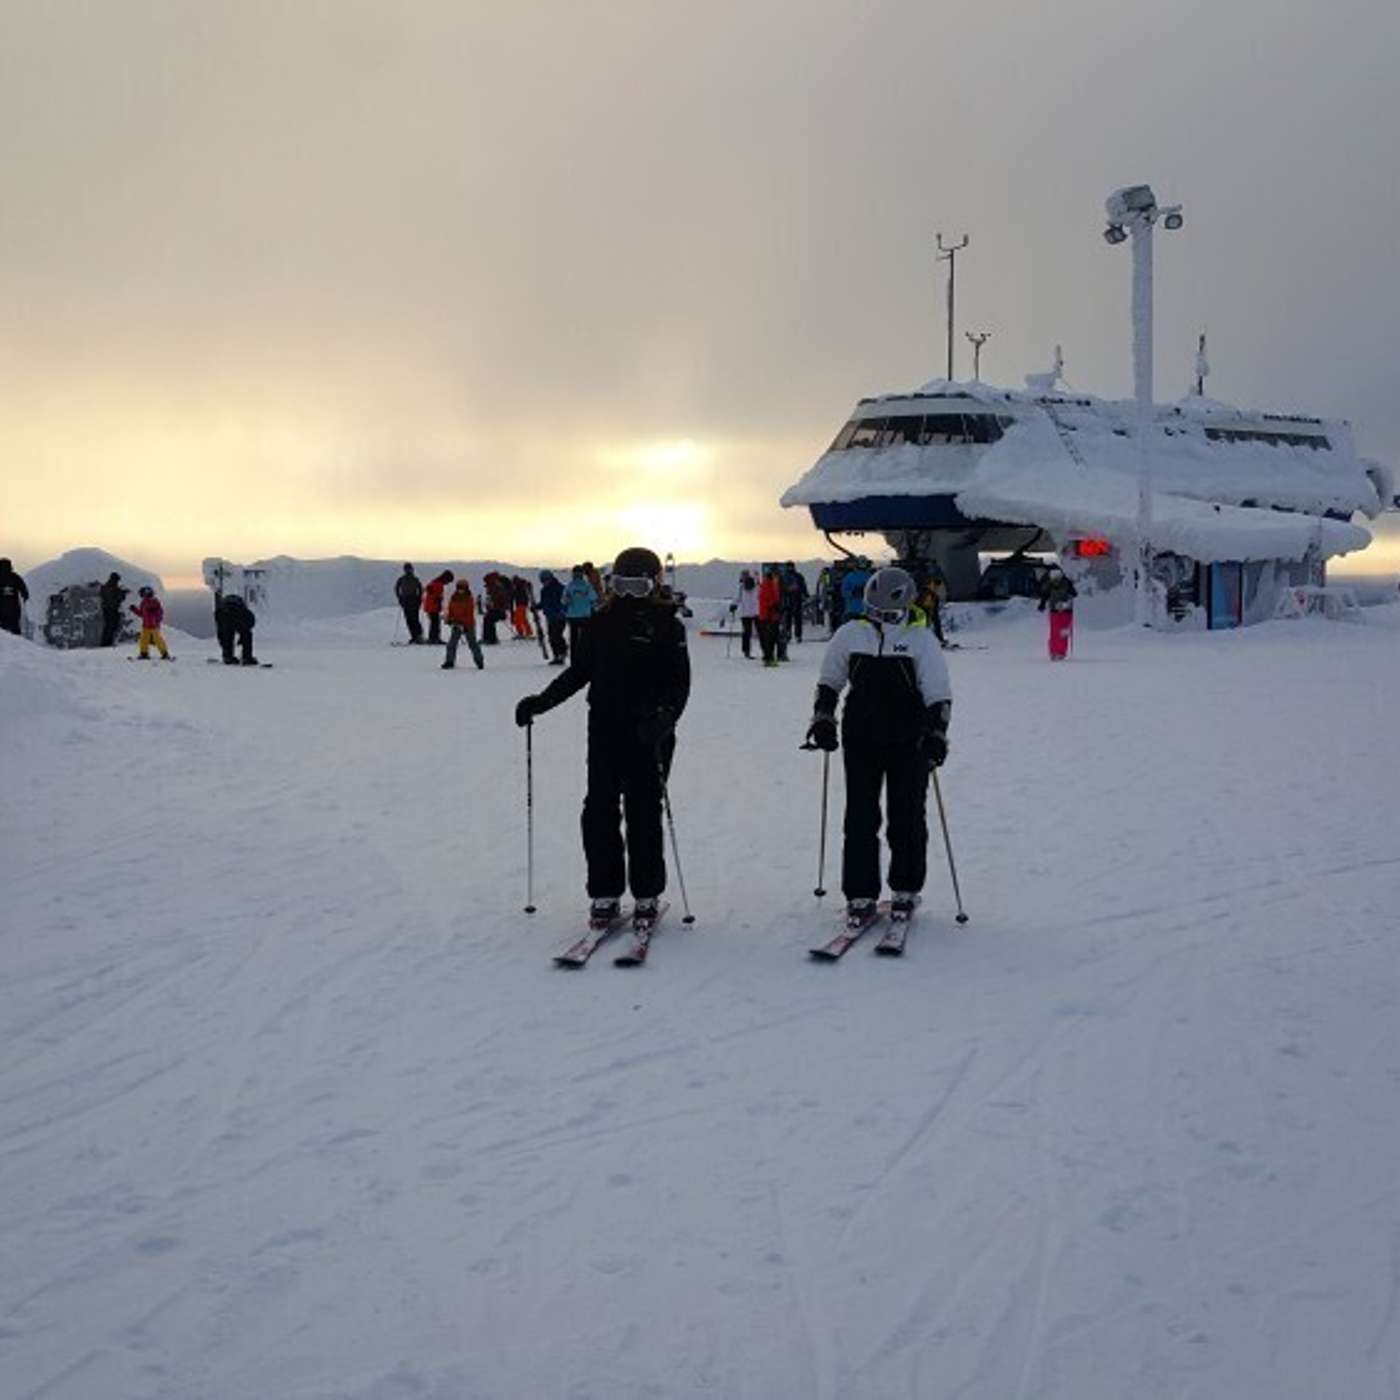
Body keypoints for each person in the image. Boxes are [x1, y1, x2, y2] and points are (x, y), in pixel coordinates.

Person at [514, 546, 690, 927]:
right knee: (598, 811)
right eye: (623, 585)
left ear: (655, 584)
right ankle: (605, 892)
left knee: (643, 812)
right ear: (612, 585)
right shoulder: (600, 623)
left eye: (639, 586)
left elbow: (680, 685)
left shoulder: (668, 626)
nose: (629, 595)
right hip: (606, 730)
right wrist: (540, 703)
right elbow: (578, 673)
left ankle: (647, 893)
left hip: (650, 734)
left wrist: (665, 718)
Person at [805, 566, 952, 923]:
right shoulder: (849, 635)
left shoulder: (921, 641)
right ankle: (859, 893)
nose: (878, 621)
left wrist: (936, 733)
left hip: (909, 742)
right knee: (860, 817)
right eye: (872, 612)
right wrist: (824, 718)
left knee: (905, 817)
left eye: (885, 615)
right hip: (861, 739)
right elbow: (829, 682)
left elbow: (938, 694)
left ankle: (905, 888)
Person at [442, 579, 484, 670]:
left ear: (466, 588)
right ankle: (449, 661)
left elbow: (469, 614)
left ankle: (479, 661)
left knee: (472, 643)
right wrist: (449, 619)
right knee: (451, 644)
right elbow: (450, 611)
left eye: (462, 588)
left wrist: (463, 624)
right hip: (456, 625)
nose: (460, 590)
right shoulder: (453, 598)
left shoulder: (469, 599)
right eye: (459, 588)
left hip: (468, 625)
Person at [1038, 566, 1077, 660]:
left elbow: (1074, 594)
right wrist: (1042, 604)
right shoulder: (1050, 584)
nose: (1056, 582)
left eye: (1057, 579)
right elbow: (1045, 595)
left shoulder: (1066, 583)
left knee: (1063, 632)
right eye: (1054, 579)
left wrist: (1070, 586)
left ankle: (1061, 652)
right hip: (1055, 611)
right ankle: (1054, 652)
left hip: (1066, 610)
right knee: (1056, 632)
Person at [562, 564, 599, 652]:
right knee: (585, 639)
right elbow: (593, 598)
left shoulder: (569, 586)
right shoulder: (587, 586)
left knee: (573, 639)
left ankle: (574, 661)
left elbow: (564, 600)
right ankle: (584, 659)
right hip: (585, 616)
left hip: (572, 616)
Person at [214, 592, 258, 665]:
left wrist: (224, 645)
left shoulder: (220, 611)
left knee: (227, 634)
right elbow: (246, 629)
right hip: (233, 613)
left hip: (223, 613)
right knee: (245, 634)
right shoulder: (245, 614)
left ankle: (228, 656)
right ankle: (246, 657)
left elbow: (221, 632)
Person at [911, 564, 949, 647]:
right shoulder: (928, 593)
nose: (938, 587)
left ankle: (937, 639)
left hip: (924, 607)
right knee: (927, 623)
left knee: (933, 622)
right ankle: (928, 640)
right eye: (936, 584)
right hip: (923, 609)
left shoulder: (930, 593)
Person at [131, 585, 172, 660]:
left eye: (142, 593)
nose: (141, 595)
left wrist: (155, 619)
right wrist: (134, 609)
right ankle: (144, 653)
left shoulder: (154, 602)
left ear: (147, 593)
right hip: (146, 625)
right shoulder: (143, 602)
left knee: (157, 640)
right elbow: (141, 614)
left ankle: (165, 654)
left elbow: (160, 613)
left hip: (154, 626)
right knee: (143, 639)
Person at [537, 569, 568, 665]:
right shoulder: (544, 590)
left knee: (557, 635)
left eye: (545, 580)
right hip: (550, 617)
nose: (544, 582)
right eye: (542, 581)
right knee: (551, 637)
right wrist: (536, 607)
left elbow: (565, 602)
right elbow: (543, 603)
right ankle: (556, 655)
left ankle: (562, 653)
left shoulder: (560, 588)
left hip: (560, 616)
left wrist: (562, 611)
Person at [757, 564, 784, 667]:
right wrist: (773, 605)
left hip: (773, 615)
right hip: (767, 616)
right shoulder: (767, 584)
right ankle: (768, 658)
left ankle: (771, 656)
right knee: (769, 638)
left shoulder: (774, 584)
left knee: (773, 637)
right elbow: (764, 600)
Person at [422, 569, 454, 645]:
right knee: (435, 623)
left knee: (434, 622)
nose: (448, 583)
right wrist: (439, 605)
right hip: (433, 607)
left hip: (429, 606)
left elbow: (429, 592)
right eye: (448, 581)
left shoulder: (434, 582)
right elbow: (437, 597)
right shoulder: (439, 584)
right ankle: (434, 639)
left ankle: (433, 638)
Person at [781, 562, 809, 645]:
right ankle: (797, 635)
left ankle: (788, 635)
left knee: (788, 619)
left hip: (788, 601)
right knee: (797, 619)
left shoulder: (783, 577)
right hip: (796, 600)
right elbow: (803, 586)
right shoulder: (798, 576)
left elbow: (780, 589)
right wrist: (805, 595)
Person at [733, 569, 759, 658]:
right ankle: (765, 650)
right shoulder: (756, 585)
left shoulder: (740, 587)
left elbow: (737, 598)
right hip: (756, 612)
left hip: (745, 613)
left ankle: (746, 651)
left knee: (746, 632)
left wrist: (733, 606)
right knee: (761, 631)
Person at [395, 564, 424, 643]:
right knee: (409, 620)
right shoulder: (403, 579)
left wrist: (419, 599)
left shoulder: (414, 579)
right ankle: (415, 636)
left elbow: (421, 590)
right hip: (407, 601)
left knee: (414, 619)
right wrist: (400, 598)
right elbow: (397, 589)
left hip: (413, 601)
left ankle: (419, 636)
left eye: (409, 569)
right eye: (407, 569)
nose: (408, 570)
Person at [98, 572, 128, 647]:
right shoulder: (113, 587)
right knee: (111, 625)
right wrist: (123, 594)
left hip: (106, 608)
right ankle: (106, 642)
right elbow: (117, 598)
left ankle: (106, 642)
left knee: (109, 625)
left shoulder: (105, 587)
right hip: (112, 608)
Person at [0, 558, 29, 636]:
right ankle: (18, 646)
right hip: (14, 609)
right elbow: (25, 592)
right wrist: (26, 600)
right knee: (15, 630)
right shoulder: (15, 577)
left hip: (1, 610)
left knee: (2, 634)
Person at [482, 572, 512, 645]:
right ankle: (489, 638)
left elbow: (499, 599)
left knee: (488, 620)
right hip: (499, 610)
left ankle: (490, 639)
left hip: (499, 610)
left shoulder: (496, 587)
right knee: (488, 619)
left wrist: (494, 605)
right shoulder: (497, 586)